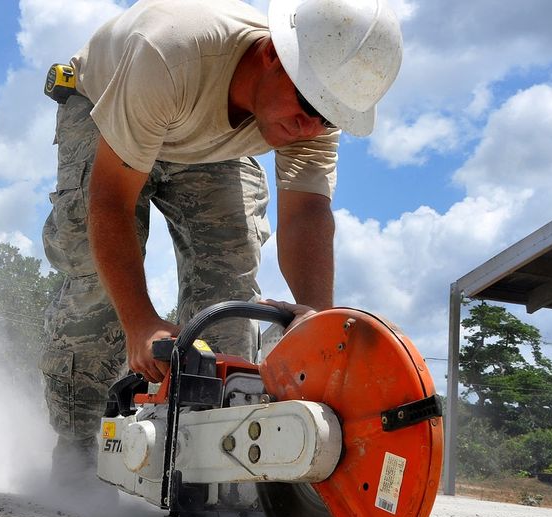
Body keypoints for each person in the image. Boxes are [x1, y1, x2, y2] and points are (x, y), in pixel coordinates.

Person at [39, 0, 404, 487]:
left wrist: (315, 322)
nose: (311, 128)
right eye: (309, 107)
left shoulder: (316, 106)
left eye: (329, 116)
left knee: (229, 287)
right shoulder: (169, 52)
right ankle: (78, 458)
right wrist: (141, 322)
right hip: (111, 107)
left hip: (206, 137)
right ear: (275, 54)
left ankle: (205, 467)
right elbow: (109, 203)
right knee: (99, 289)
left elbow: (307, 213)